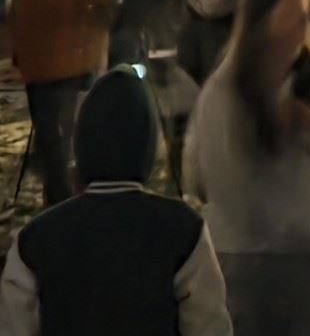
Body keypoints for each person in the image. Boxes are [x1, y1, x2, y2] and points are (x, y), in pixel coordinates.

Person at [184, 0, 310, 336]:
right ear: (257, 28)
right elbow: (199, 175)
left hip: (306, 254)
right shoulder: (224, 92)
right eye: (286, 22)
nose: (297, 32)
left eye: (301, 20)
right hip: (239, 256)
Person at [0, 66, 231, 335]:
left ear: (81, 149)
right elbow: (210, 327)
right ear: (147, 153)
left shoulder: (33, 242)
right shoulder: (186, 232)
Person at [10, 0, 117, 208]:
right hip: (71, 51)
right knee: (65, 127)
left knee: (48, 130)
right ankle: (63, 194)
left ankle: (56, 193)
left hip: (37, 54)